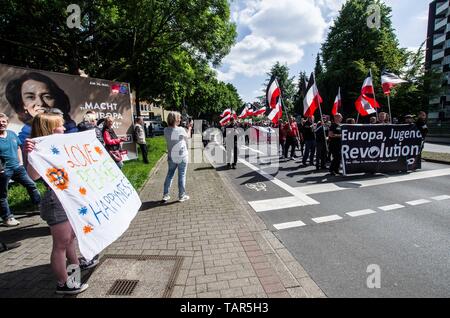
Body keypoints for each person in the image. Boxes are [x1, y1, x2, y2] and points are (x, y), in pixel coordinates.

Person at [25, 112, 97, 295]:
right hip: (56, 202)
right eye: (60, 125)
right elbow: (33, 176)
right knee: (61, 244)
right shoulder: (38, 148)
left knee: (70, 239)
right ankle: (63, 283)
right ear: (49, 129)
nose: (64, 128)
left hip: (68, 199)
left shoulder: (62, 144)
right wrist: (31, 153)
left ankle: (73, 277)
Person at [5, 72, 78, 145]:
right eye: (30, 97)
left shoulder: (70, 128)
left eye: (47, 96)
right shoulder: (24, 135)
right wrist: (25, 150)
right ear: (23, 104)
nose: (40, 103)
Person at [0, 113, 41, 227]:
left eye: (3, 121)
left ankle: (39, 206)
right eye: (0, 122)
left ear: (7, 123)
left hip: (17, 168)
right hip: (3, 171)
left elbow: (18, 147)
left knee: (32, 185)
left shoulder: (12, 134)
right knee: (2, 196)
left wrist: (21, 162)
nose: (1, 124)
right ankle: (7, 218)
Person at [163, 111, 191, 202]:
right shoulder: (181, 130)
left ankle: (165, 195)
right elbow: (188, 137)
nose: (180, 119)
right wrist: (189, 128)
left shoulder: (165, 130)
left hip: (171, 156)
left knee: (169, 175)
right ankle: (181, 196)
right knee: (182, 175)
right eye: (179, 117)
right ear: (175, 119)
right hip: (182, 156)